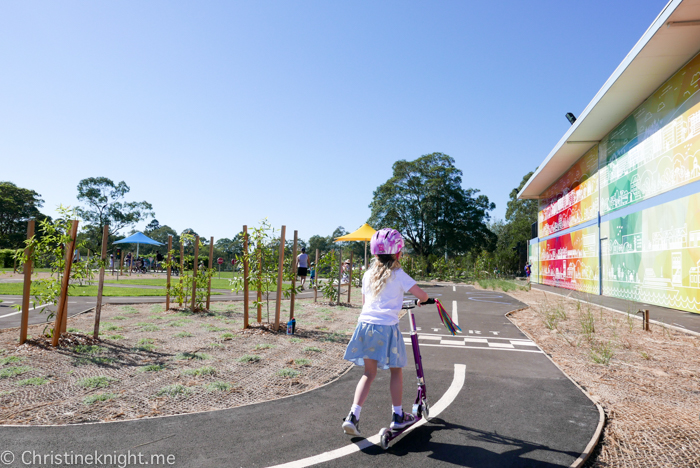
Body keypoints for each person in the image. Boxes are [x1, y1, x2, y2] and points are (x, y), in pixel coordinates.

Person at [341, 228, 429, 437]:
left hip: (365, 325)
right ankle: (397, 415)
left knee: (368, 374)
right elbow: (423, 296)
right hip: (386, 328)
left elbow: (365, 303)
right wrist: (420, 301)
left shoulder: (367, 274)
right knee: (395, 370)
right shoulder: (399, 275)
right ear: (398, 253)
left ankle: (352, 416)